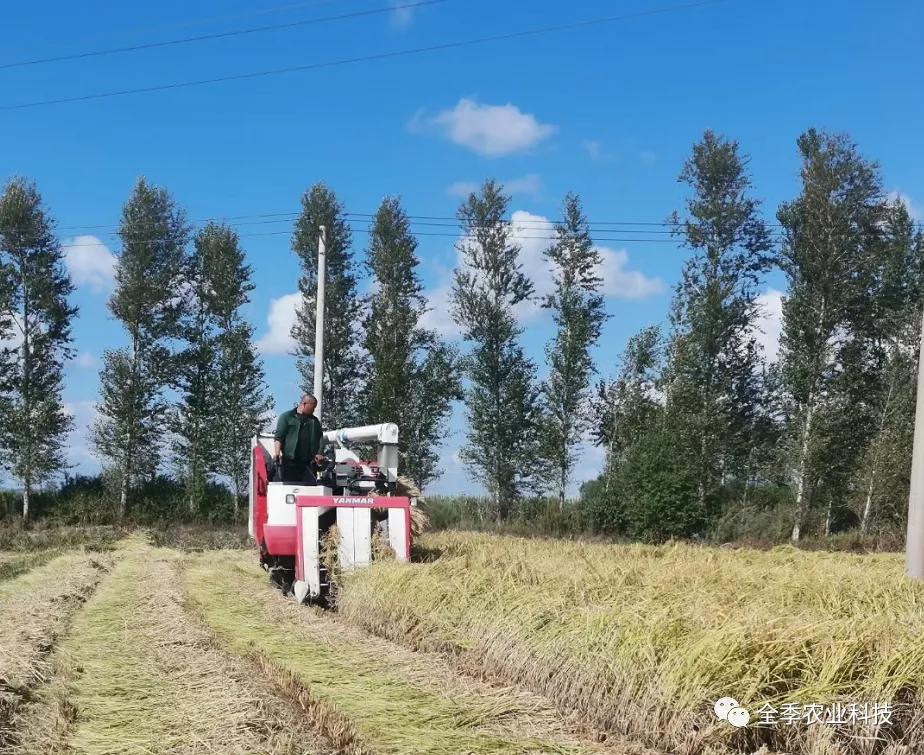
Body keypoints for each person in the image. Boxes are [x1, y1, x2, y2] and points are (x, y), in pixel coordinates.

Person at [273, 394, 325, 484]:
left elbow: (320, 439)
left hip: (307, 464)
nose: (313, 410)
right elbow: (279, 437)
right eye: (312, 407)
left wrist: (319, 454)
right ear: (304, 404)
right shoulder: (287, 417)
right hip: (289, 462)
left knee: (310, 488)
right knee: (290, 488)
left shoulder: (314, 421)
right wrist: (277, 454)